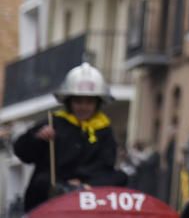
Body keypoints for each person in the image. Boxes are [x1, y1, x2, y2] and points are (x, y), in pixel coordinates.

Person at [14, 62, 128, 210]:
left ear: (97, 103)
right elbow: (22, 153)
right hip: (53, 193)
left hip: (90, 190)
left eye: (89, 102)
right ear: (69, 102)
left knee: (120, 176)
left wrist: (83, 184)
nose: (83, 107)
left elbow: (106, 165)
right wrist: (37, 138)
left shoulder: (104, 129)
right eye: (78, 101)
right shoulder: (53, 122)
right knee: (42, 181)